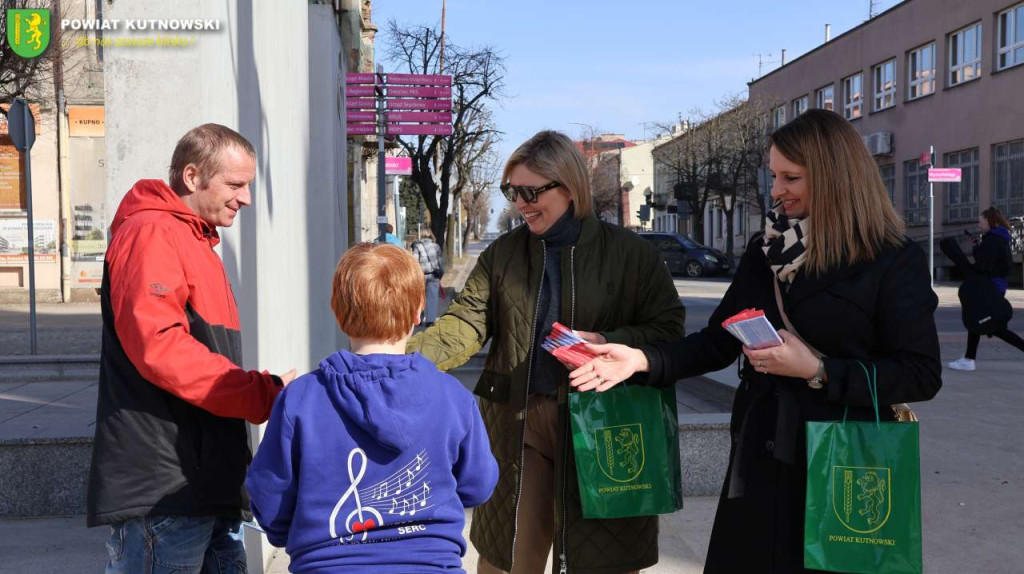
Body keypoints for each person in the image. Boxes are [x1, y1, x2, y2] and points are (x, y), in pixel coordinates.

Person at [568, 109, 942, 573]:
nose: (777, 190)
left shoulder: (892, 258)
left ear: (835, 177)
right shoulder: (768, 249)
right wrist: (639, 359)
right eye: (774, 175)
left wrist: (818, 371)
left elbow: (921, 374)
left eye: (791, 177)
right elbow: (716, 341)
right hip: (761, 459)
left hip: (843, 461)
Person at [407, 130, 687, 574]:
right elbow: (466, 323)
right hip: (520, 422)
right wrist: (396, 361)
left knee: (602, 559)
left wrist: (609, 341)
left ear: (569, 187)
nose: (521, 203)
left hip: (606, 423)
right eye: (513, 192)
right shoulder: (504, 254)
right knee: (509, 555)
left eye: (532, 192)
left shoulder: (631, 254)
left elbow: (668, 328)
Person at [87, 124, 296, 574]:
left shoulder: (193, 239)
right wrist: (260, 392)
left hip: (203, 487)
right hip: (165, 491)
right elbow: (160, 346)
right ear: (192, 176)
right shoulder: (153, 233)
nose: (246, 199)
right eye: (235, 185)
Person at [246, 243, 498, 572]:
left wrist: (288, 534)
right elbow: (478, 484)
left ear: (337, 310)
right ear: (419, 312)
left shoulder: (300, 400)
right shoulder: (453, 398)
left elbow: (269, 493)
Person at [948, 206, 1024, 370]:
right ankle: (969, 359)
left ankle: (969, 360)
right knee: (979, 318)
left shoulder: (992, 241)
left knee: (990, 324)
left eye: (980, 222)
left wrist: (977, 250)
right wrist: (979, 247)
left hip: (989, 285)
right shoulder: (998, 238)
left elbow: (983, 265)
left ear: (990, 222)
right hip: (995, 285)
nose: (979, 225)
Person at [410, 230, 445, 325]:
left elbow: (414, 261)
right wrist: (441, 273)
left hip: (420, 276)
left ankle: (419, 318)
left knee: (419, 297)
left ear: (421, 236)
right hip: (433, 275)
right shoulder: (436, 246)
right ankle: (430, 320)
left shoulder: (418, 246)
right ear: (431, 236)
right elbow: (440, 262)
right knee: (432, 298)